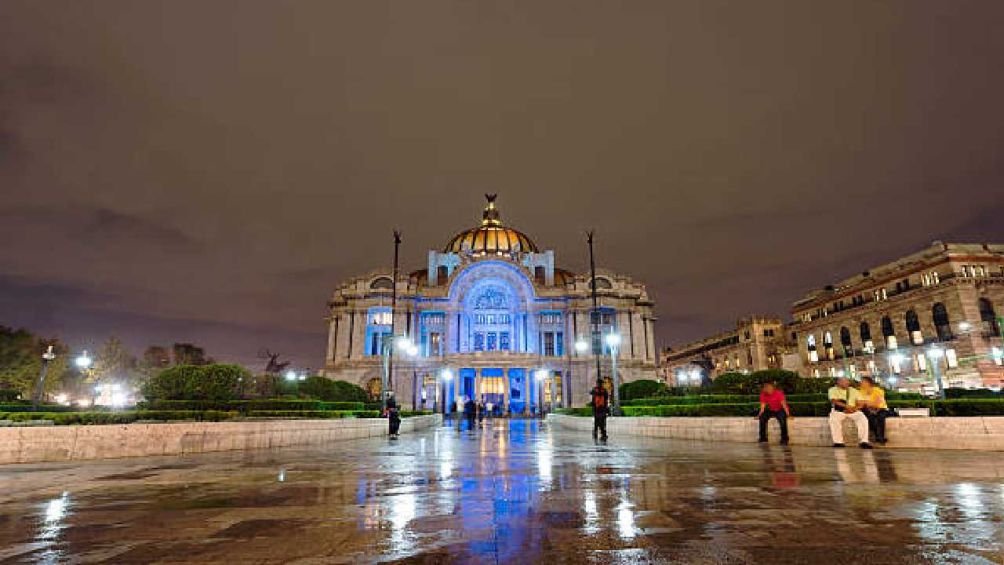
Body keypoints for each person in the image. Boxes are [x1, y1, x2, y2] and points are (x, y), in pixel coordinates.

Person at [828, 377, 872, 449]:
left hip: (853, 411)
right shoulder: (832, 390)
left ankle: (864, 441)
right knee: (833, 419)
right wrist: (847, 407)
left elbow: (861, 403)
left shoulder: (854, 390)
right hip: (840, 411)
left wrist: (854, 409)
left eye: (847, 381)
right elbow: (834, 401)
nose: (846, 383)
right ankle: (838, 442)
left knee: (863, 418)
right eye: (844, 381)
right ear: (838, 382)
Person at [857, 376, 890, 445]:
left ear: (868, 383)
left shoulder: (878, 390)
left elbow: (877, 404)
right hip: (868, 410)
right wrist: (868, 403)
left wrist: (865, 402)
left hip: (881, 409)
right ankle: (878, 437)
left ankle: (880, 437)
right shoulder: (860, 391)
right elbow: (859, 403)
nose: (861, 383)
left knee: (880, 417)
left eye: (862, 382)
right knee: (870, 417)